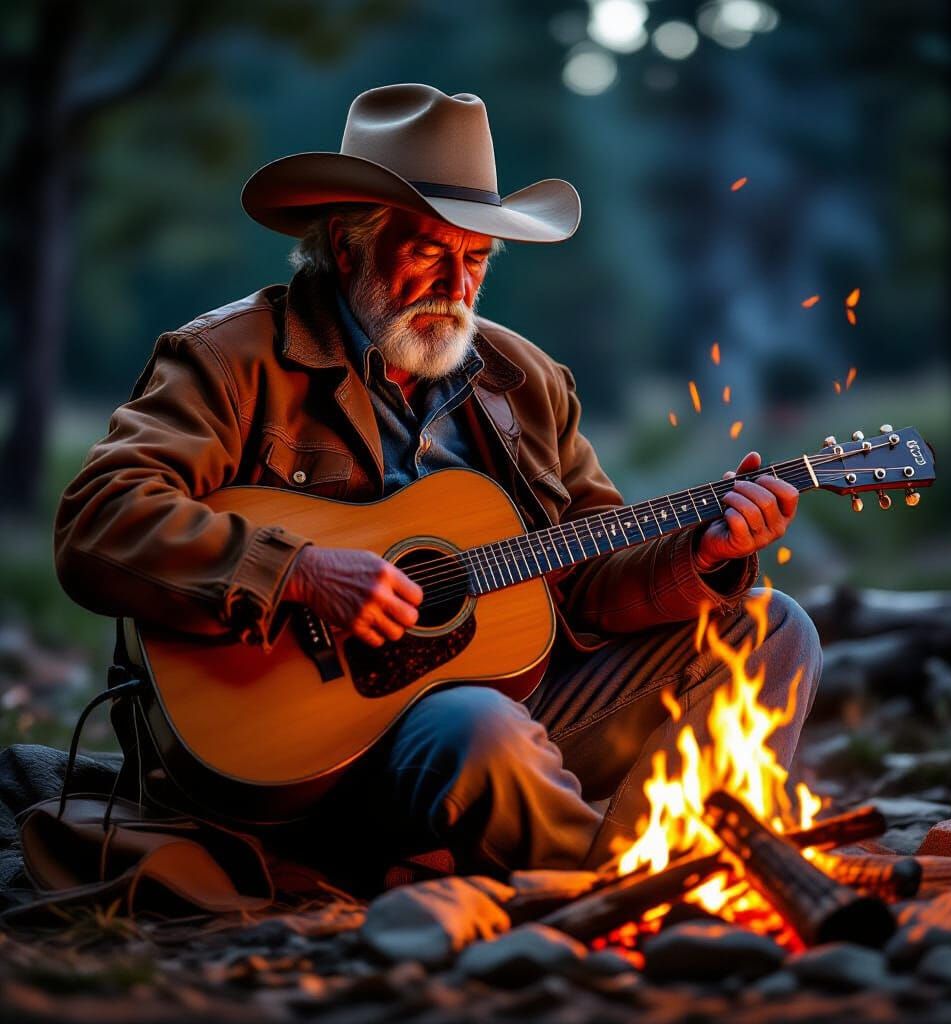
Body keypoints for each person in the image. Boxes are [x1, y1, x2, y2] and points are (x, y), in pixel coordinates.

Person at [54, 84, 821, 879]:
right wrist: (300, 573)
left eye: (476, 258)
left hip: (511, 710)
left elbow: (589, 579)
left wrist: (704, 553)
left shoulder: (525, 379)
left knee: (772, 626)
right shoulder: (230, 360)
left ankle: (637, 864)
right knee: (479, 729)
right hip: (310, 764)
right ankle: (617, 890)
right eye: (429, 250)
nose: (456, 284)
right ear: (348, 246)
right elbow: (99, 521)